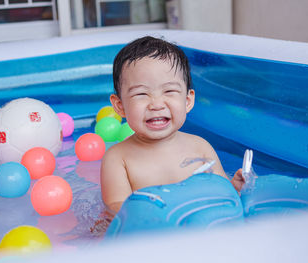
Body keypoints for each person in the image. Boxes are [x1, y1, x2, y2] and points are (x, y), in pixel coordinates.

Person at [101, 36, 244, 214]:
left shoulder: (200, 147)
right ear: (120, 106)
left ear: (188, 101)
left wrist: (235, 189)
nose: (156, 104)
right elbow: (116, 211)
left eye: (169, 91)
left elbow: (220, 193)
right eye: (141, 94)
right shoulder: (118, 159)